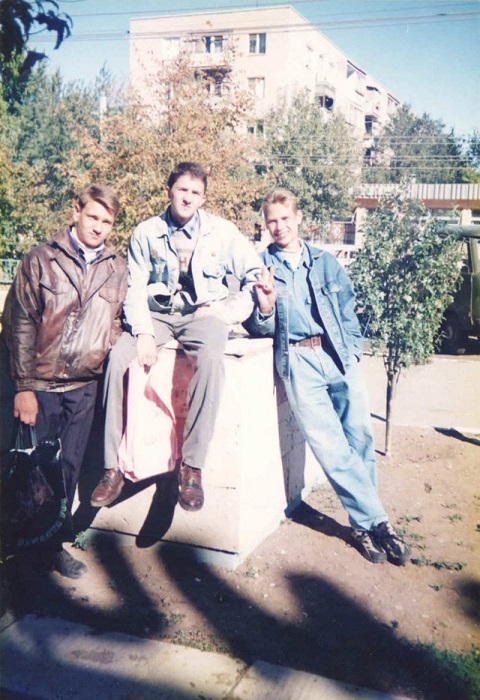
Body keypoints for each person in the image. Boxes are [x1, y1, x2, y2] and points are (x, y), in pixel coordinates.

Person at [246, 188, 411, 566]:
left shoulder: (325, 262)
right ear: (265, 224)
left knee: (360, 439)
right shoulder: (261, 267)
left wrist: (353, 351)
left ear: (299, 218)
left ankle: (363, 525)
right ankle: (380, 524)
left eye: (285, 219)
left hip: (337, 356)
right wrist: (265, 307)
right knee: (331, 448)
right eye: (272, 221)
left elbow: (348, 308)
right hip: (299, 361)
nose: (279, 227)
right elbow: (259, 327)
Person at [90, 162, 262, 512]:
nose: (188, 198)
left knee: (211, 360)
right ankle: (112, 467)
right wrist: (143, 333)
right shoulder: (147, 232)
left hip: (204, 315)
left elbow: (255, 276)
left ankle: (191, 467)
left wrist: (226, 312)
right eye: (182, 190)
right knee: (117, 359)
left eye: (196, 192)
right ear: (169, 191)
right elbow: (135, 287)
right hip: (157, 315)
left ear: (204, 198)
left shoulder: (222, 232)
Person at [2, 184, 128, 578]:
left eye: (107, 221)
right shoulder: (41, 260)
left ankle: (52, 547)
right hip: (40, 386)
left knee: (68, 471)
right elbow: (19, 324)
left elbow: (117, 319)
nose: (98, 227)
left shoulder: (116, 267)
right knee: (31, 473)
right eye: (93, 216)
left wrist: (101, 348)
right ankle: (19, 555)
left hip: (84, 388)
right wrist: (24, 386)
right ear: (76, 211)